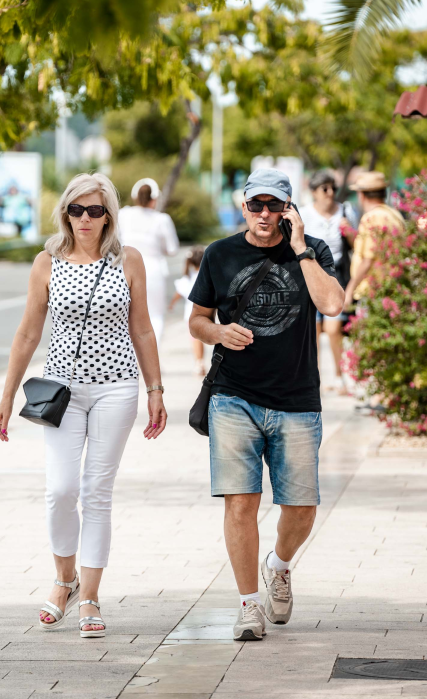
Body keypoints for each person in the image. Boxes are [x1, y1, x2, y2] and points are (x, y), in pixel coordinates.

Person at [0, 173, 168, 639]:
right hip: (61, 393)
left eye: (95, 210)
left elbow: (142, 328)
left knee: (96, 493)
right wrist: (7, 395)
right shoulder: (46, 262)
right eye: (77, 210)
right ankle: (64, 579)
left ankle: (89, 596)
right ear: (65, 213)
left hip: (117, 388)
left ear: (108, 215)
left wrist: (155, 389)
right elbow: (28, 333)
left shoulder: (128, 260)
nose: (85, 219)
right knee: (61, 489)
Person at [188, 167, 345, 642]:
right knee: (241, 503)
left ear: (287, 209)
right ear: (243, 206)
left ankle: (278, 564)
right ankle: (248, 605)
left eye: (273, 205)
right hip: (233, 397)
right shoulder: (219, 254)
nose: (263, 213)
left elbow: (332, 304)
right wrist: (218, 332)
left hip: (297, 399)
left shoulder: (312, 250)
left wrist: (300, 249)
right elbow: (197, 320)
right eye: (255, 204)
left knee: (301, 508)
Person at [299, 170, 357, 395]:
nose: (330, 192)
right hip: (311, 275)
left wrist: (349, 232)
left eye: (333, 187)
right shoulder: (304, 214)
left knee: (334, 329)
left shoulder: (345, 211)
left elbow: (356, 244)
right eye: (325, 188)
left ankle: (340, 377)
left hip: (337, 275)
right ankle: (314, 380)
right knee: (312, 330)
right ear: (314, 192)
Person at [117, 178, 180, 345]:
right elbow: (172, 249)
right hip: (153, 270)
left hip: (125, 268)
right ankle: (152, 355)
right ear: (154, 198)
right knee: (155, 315)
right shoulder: (161, 219)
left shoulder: (123, 215)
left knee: (127, 316)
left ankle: (131, 355)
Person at [343, 171, 406, 306]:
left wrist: (350, 290)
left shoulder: (371, 217)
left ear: (361, 195)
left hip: (373, 291)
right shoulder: (395, 215)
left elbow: (368, 259)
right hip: (392, 286)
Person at [169, 245, 207, 375]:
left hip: (191, 315)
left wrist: (172, 304)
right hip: (207, 313)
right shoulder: (206, 275)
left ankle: (199, 362)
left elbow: (179, 293)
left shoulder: (188, 277)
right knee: (201, 339)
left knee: (195, 339)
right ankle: (201, 362)